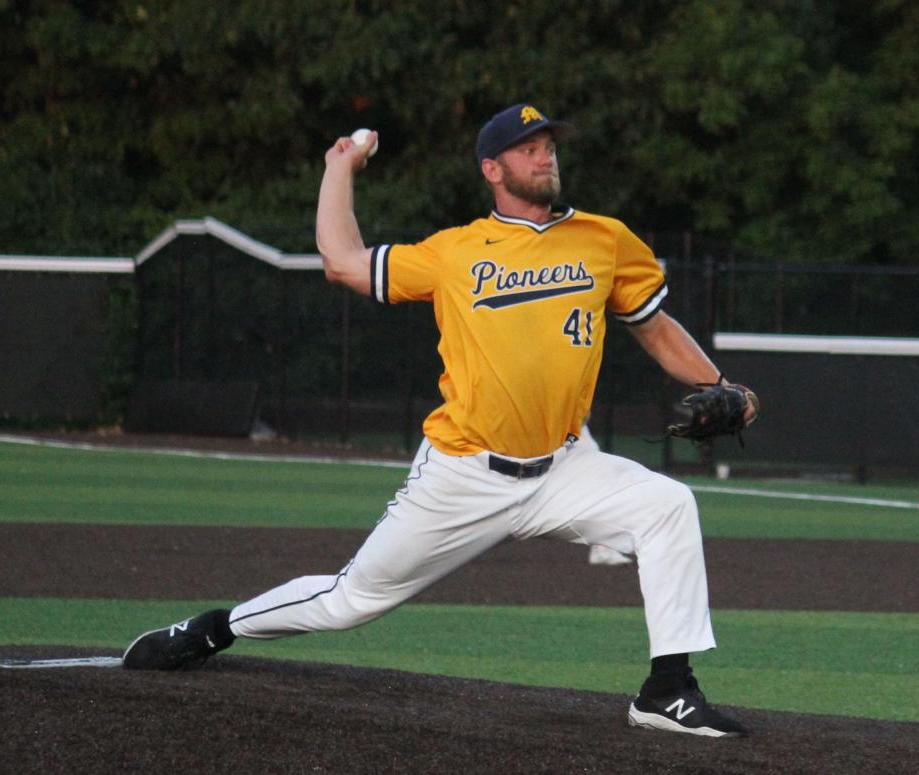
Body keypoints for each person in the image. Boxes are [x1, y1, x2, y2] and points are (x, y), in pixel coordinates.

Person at [123, 103, 758, 738]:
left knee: (668, 505)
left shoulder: (605, 239)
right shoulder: (454, 252)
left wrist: (722, 386)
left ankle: (667, 689)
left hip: (565, 467)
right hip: (464, 472)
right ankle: (214, 628)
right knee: (350, 602)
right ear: (493, 168)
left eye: (549, 145)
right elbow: (342, 261)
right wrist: (340, 166)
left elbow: (653, 325)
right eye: (528, 147)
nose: (545, 155)